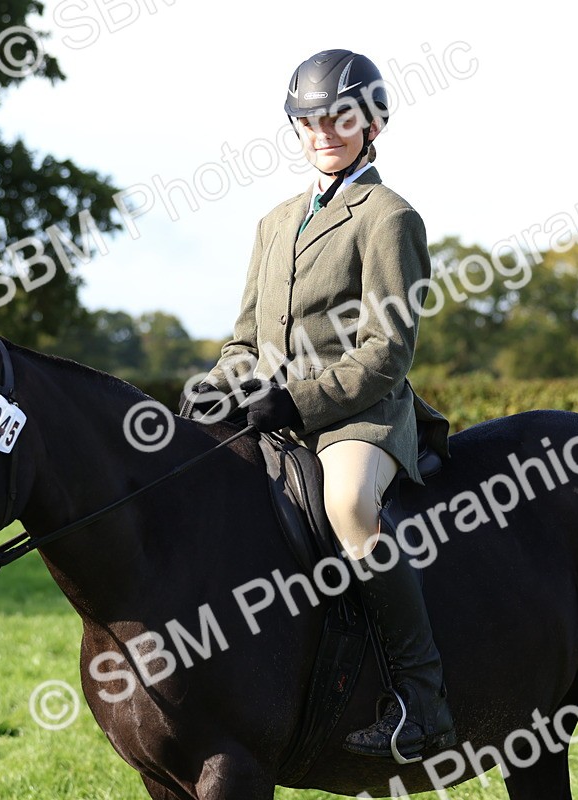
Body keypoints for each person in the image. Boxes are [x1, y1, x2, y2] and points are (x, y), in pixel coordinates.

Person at [186, 49, 455, 761]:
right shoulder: (275, 221)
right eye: (308, 121)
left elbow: (385, 352)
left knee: (348, 510)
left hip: (359, 416)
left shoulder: (391, 217)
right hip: (271, 409)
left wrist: (296, 404)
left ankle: (421, 700)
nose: (323, 132)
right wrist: (222, 382)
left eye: (339, 119)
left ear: (372, 125)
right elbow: (246, 336)